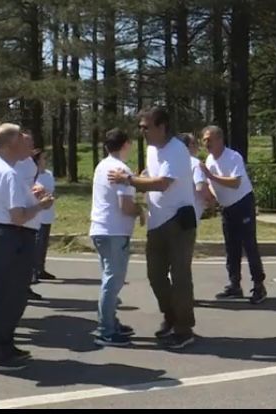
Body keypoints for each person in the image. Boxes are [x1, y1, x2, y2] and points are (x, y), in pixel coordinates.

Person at [108, 107, 197, 349]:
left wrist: (128, 180)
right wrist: (139, 177)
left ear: (162, 126)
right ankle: (171, 317)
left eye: (146, 127)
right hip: (156, 220)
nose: (142, 131)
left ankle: (184, 329)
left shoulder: (176, 149)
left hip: (178, 222)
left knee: (180, 277)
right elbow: (151, 175)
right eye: (141, 127)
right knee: (155, 275)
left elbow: (162, 183)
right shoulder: (151, 149)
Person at [0, 123, 54, 371]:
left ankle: (4, 345)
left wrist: (33, 195)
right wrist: (42, 205)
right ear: (12, 144)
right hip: (13, 237)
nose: (29, 145)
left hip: (1, 234)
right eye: (23, 140)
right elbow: (18, 216)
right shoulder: (8, 173)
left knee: (3, 293)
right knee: (11, 296)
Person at [201, 125, 269, 304]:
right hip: (227, 208)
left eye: (209, 139)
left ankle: (259, 285)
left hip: (243, 204)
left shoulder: (233, 157)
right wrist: (212, 198)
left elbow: (235, 182)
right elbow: (211, 185)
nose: (206, 143)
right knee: (231, 247)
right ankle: (235, 284)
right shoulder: (209, 160)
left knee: (249, 245)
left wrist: (211, 176)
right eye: (204, 140)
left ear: (220, 139)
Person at [90, 129, 143, 347]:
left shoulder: (102, 165)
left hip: (100, 228)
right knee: (113, 280)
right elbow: (125, 206)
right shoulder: (121, 169)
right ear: (126, 144)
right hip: (114, 230)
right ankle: (106, 329)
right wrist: (141, 210)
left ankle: (110, 321)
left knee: (109, 278)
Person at [15, 131, 45, 300]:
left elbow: (30, 183)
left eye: (32, 143)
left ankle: (24, 287)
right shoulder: (12, 163)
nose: (32, 147)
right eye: (28, 143)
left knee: (27, 259)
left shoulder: (30, 163)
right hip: (17, 216)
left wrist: (37, 188)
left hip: (31, 214)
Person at [32, 149, 58, 282]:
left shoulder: (48, 174)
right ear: (37, 161)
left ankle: (40, 269)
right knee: (37, 244)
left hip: (48, 213)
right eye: (43, 158)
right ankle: (33, 271)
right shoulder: (32, 175)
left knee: (43, 245)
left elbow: (53, 191)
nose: (45, 161)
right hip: (37, 215)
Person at [178, 133, 212, 223]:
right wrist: (211, 200)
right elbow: (200, 187)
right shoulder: (196, 163)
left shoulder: (173, 162)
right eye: (196, 142)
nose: (198, 146)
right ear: (190, 145)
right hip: (190, 213)